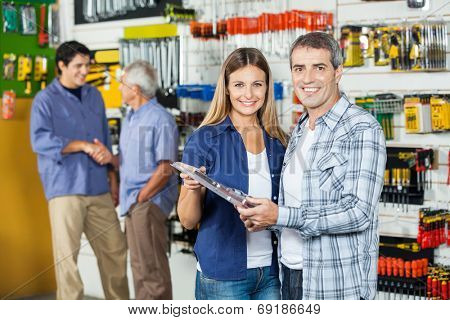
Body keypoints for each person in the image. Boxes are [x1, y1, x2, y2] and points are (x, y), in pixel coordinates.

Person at [237, 32, 387, 300]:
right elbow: (300, 202)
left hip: (336, 285)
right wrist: (265, 219)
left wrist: (281, 216)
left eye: (319, 68)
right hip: (290, 275)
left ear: (337, 72)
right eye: (299, 68)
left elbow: (358, 211)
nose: (307, 79)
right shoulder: (300, 129)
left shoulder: (361, 128)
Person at [178, 48, 287, 300]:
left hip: (271, 272)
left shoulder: (279, 141)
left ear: (267, 88)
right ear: (226, 88)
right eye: (239, 84)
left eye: (257, 84)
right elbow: (187, 220)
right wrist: (194, 189)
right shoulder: (204, 139)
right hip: (223, 276)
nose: (248, 94)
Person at [30, 41, 129, 300]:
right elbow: (40, 140)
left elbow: (105, 141)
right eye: (78, 66)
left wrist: (113, 178)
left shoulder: (94, 95)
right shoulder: (45, 100)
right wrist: (82, 146)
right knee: (67, 262)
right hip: (65, 190)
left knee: (115, 253)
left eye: (87, 65)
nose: (84, 71)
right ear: (61, 66)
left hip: (98, 187)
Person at [116, 60, 178, 299]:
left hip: (147, 202)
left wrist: (142, 196)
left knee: (152, 272)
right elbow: (127, 159)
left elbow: (165, 167)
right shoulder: (130, 118)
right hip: (132, 202)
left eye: (122, 83)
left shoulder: (160, 118)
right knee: (139, 269)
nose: (119, 88)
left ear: (135, 88)